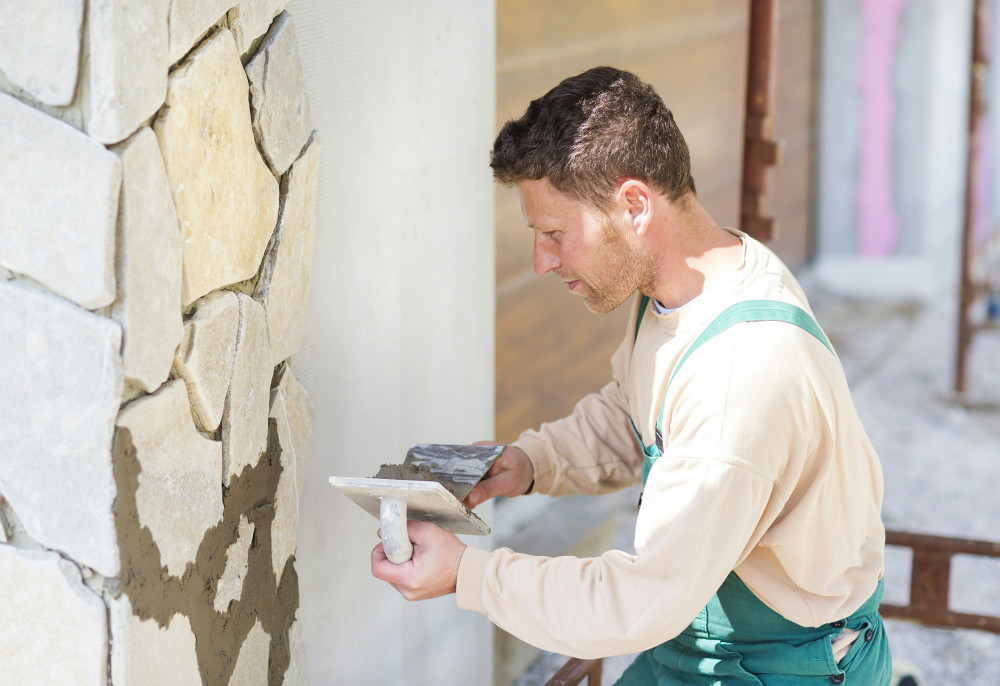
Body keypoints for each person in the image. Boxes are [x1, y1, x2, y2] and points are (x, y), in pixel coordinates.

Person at [371, 66, 892, 685]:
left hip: (785, 665)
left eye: (554, 233)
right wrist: (533, 461)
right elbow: (637, 412)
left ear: (634, 205)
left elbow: (642, 599)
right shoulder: (684, 286)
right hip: (697, 630)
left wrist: (470, 574)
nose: (541, 262)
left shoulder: (741, 375)